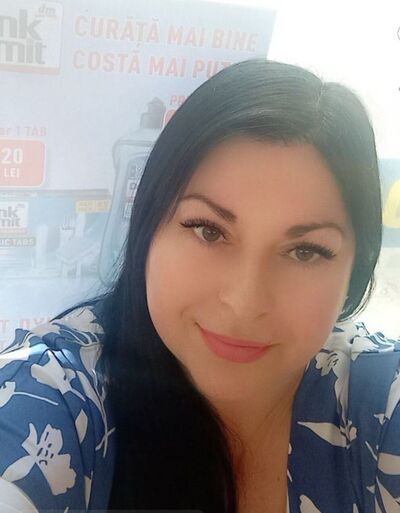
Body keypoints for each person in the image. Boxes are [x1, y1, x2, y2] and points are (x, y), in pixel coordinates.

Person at [0, 58, 399, 513]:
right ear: (150, 225)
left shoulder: (377, 404)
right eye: (209, 231)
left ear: (354, 268)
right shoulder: (54, 394)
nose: (244, 303)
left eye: (305, 251)